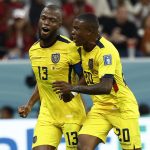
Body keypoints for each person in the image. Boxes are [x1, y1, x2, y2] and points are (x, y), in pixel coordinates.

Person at [52, 13, 141, 150]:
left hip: (121, 106)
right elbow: (88, 76)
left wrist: (73, 88)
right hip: (100, 107)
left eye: (77, 29)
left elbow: (106, 86)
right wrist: (72, 93)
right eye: (73, 28)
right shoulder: (80, 48)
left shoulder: (106, 52)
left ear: (89, 32)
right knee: (82, 145)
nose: (72, 32)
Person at [18, 5, 86, 150]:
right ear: (39, 20)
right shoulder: (33, 51)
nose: (46, 22)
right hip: (47, 114)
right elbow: (42, 82)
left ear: (59, 25)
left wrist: (72, 92)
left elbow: (85, 77)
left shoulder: (70, 48)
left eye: (52, 20)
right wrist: (29, 105)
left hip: (72, 114)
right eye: (44, 18)